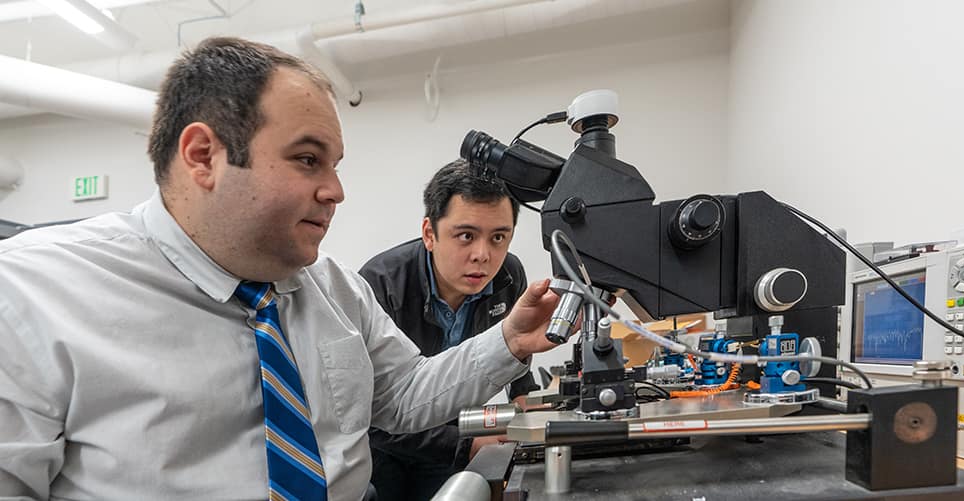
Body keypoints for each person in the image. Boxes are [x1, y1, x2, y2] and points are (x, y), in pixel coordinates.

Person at [0, 37, 562, 501]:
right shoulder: (31, 295)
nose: (336, 191)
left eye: (335, 165)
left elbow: (403, 394)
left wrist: (509, 340)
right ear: (203, 156)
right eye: (307, 159)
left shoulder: (335, 289)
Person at [359, 160, 539, 500]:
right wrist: (465, 445)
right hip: (391, 451)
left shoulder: (509, 276)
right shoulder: (381, 284)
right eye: (466, 236)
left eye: (499, 237)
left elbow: (516, 349)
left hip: (460, 430)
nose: (483, 255)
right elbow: (374, 415)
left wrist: (524, 397)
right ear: (430, 234)